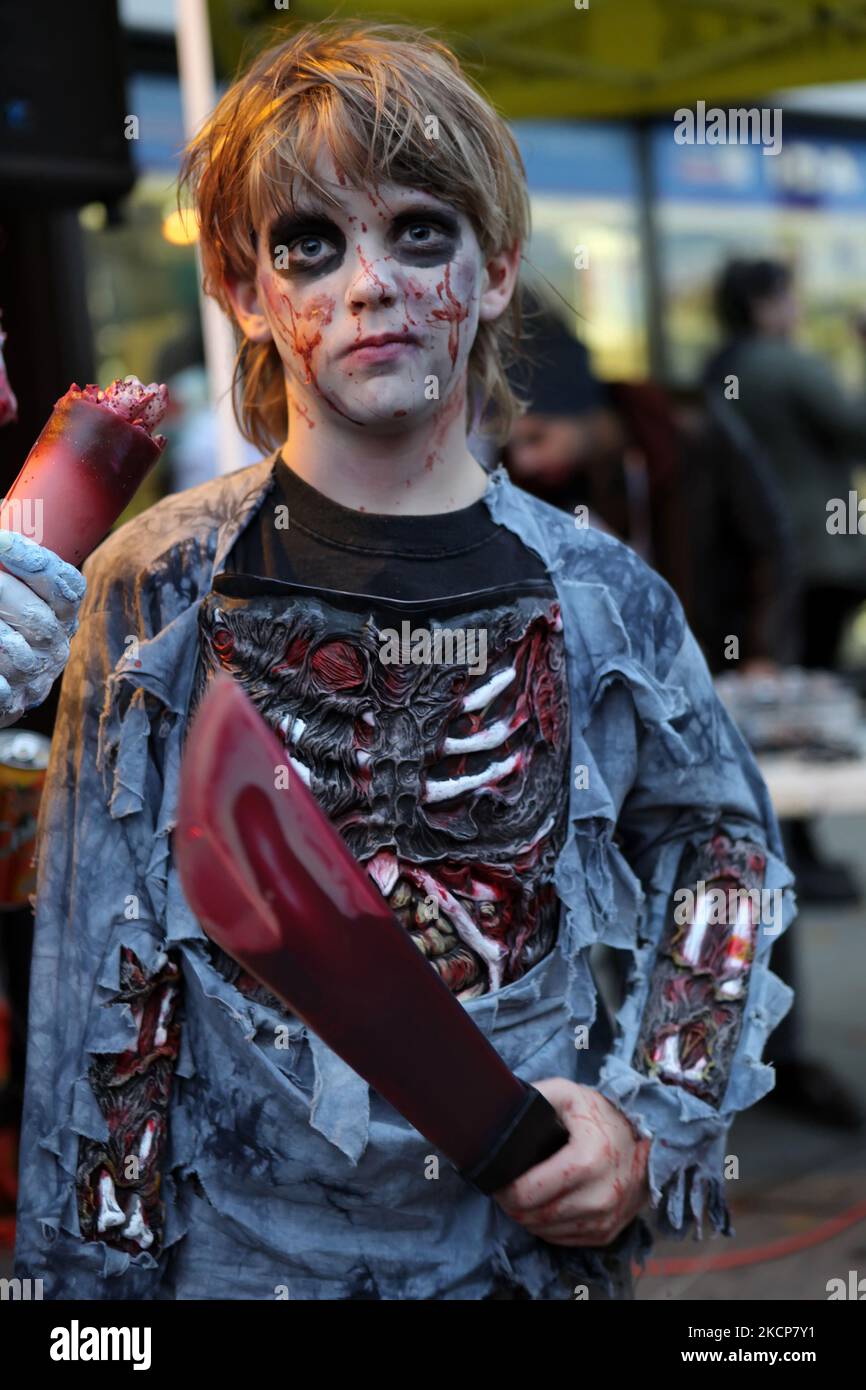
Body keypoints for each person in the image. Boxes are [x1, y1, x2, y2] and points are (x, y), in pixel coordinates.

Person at [15, 22, 794, 1301]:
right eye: (308, 244)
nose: (368, 281)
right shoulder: (155, 586)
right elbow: (102, 962)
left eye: (417, 231)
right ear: (242, 288)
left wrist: (647, 1121)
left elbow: (724, 846)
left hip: (521, 1259)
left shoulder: (602, 598)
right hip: (235, 1265)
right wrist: (85, 1307)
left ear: (495, 271)